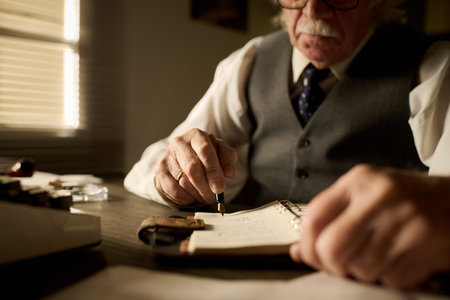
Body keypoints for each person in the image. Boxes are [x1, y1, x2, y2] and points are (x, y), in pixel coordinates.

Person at [125, 0, 450, 289]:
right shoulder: (249, 61)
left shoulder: (433, 66)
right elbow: (156, 161)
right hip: (240, 278)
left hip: (366, 280)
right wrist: (174, 176)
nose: (313, 9)